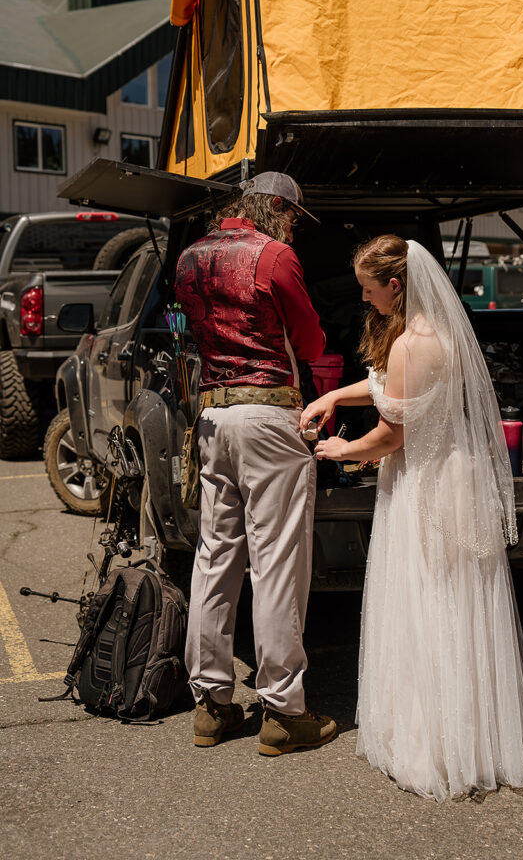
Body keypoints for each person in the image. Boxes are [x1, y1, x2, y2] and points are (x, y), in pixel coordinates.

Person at [300, 235, 523, 800]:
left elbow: (393, 432)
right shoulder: (440, 334)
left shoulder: (412, 344)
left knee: (427, 602)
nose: (365, 300)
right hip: (451, 471)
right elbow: (388, 389)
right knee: (458, 602)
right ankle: (472, 738)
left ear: (395, 285)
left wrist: (342, 449)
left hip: (425, 482)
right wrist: (335, 395)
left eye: (368, 289)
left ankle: (434, 747)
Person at [175, 171, 336, 754]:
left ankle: (211, 704)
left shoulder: (190, 257)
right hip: (269, 415)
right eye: (292, 216)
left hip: (213, 417)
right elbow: (313, 344)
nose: (293, 227)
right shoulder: (275, 257)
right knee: (276, 564)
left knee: (215, 558)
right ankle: (282, 711)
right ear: (276, 209)